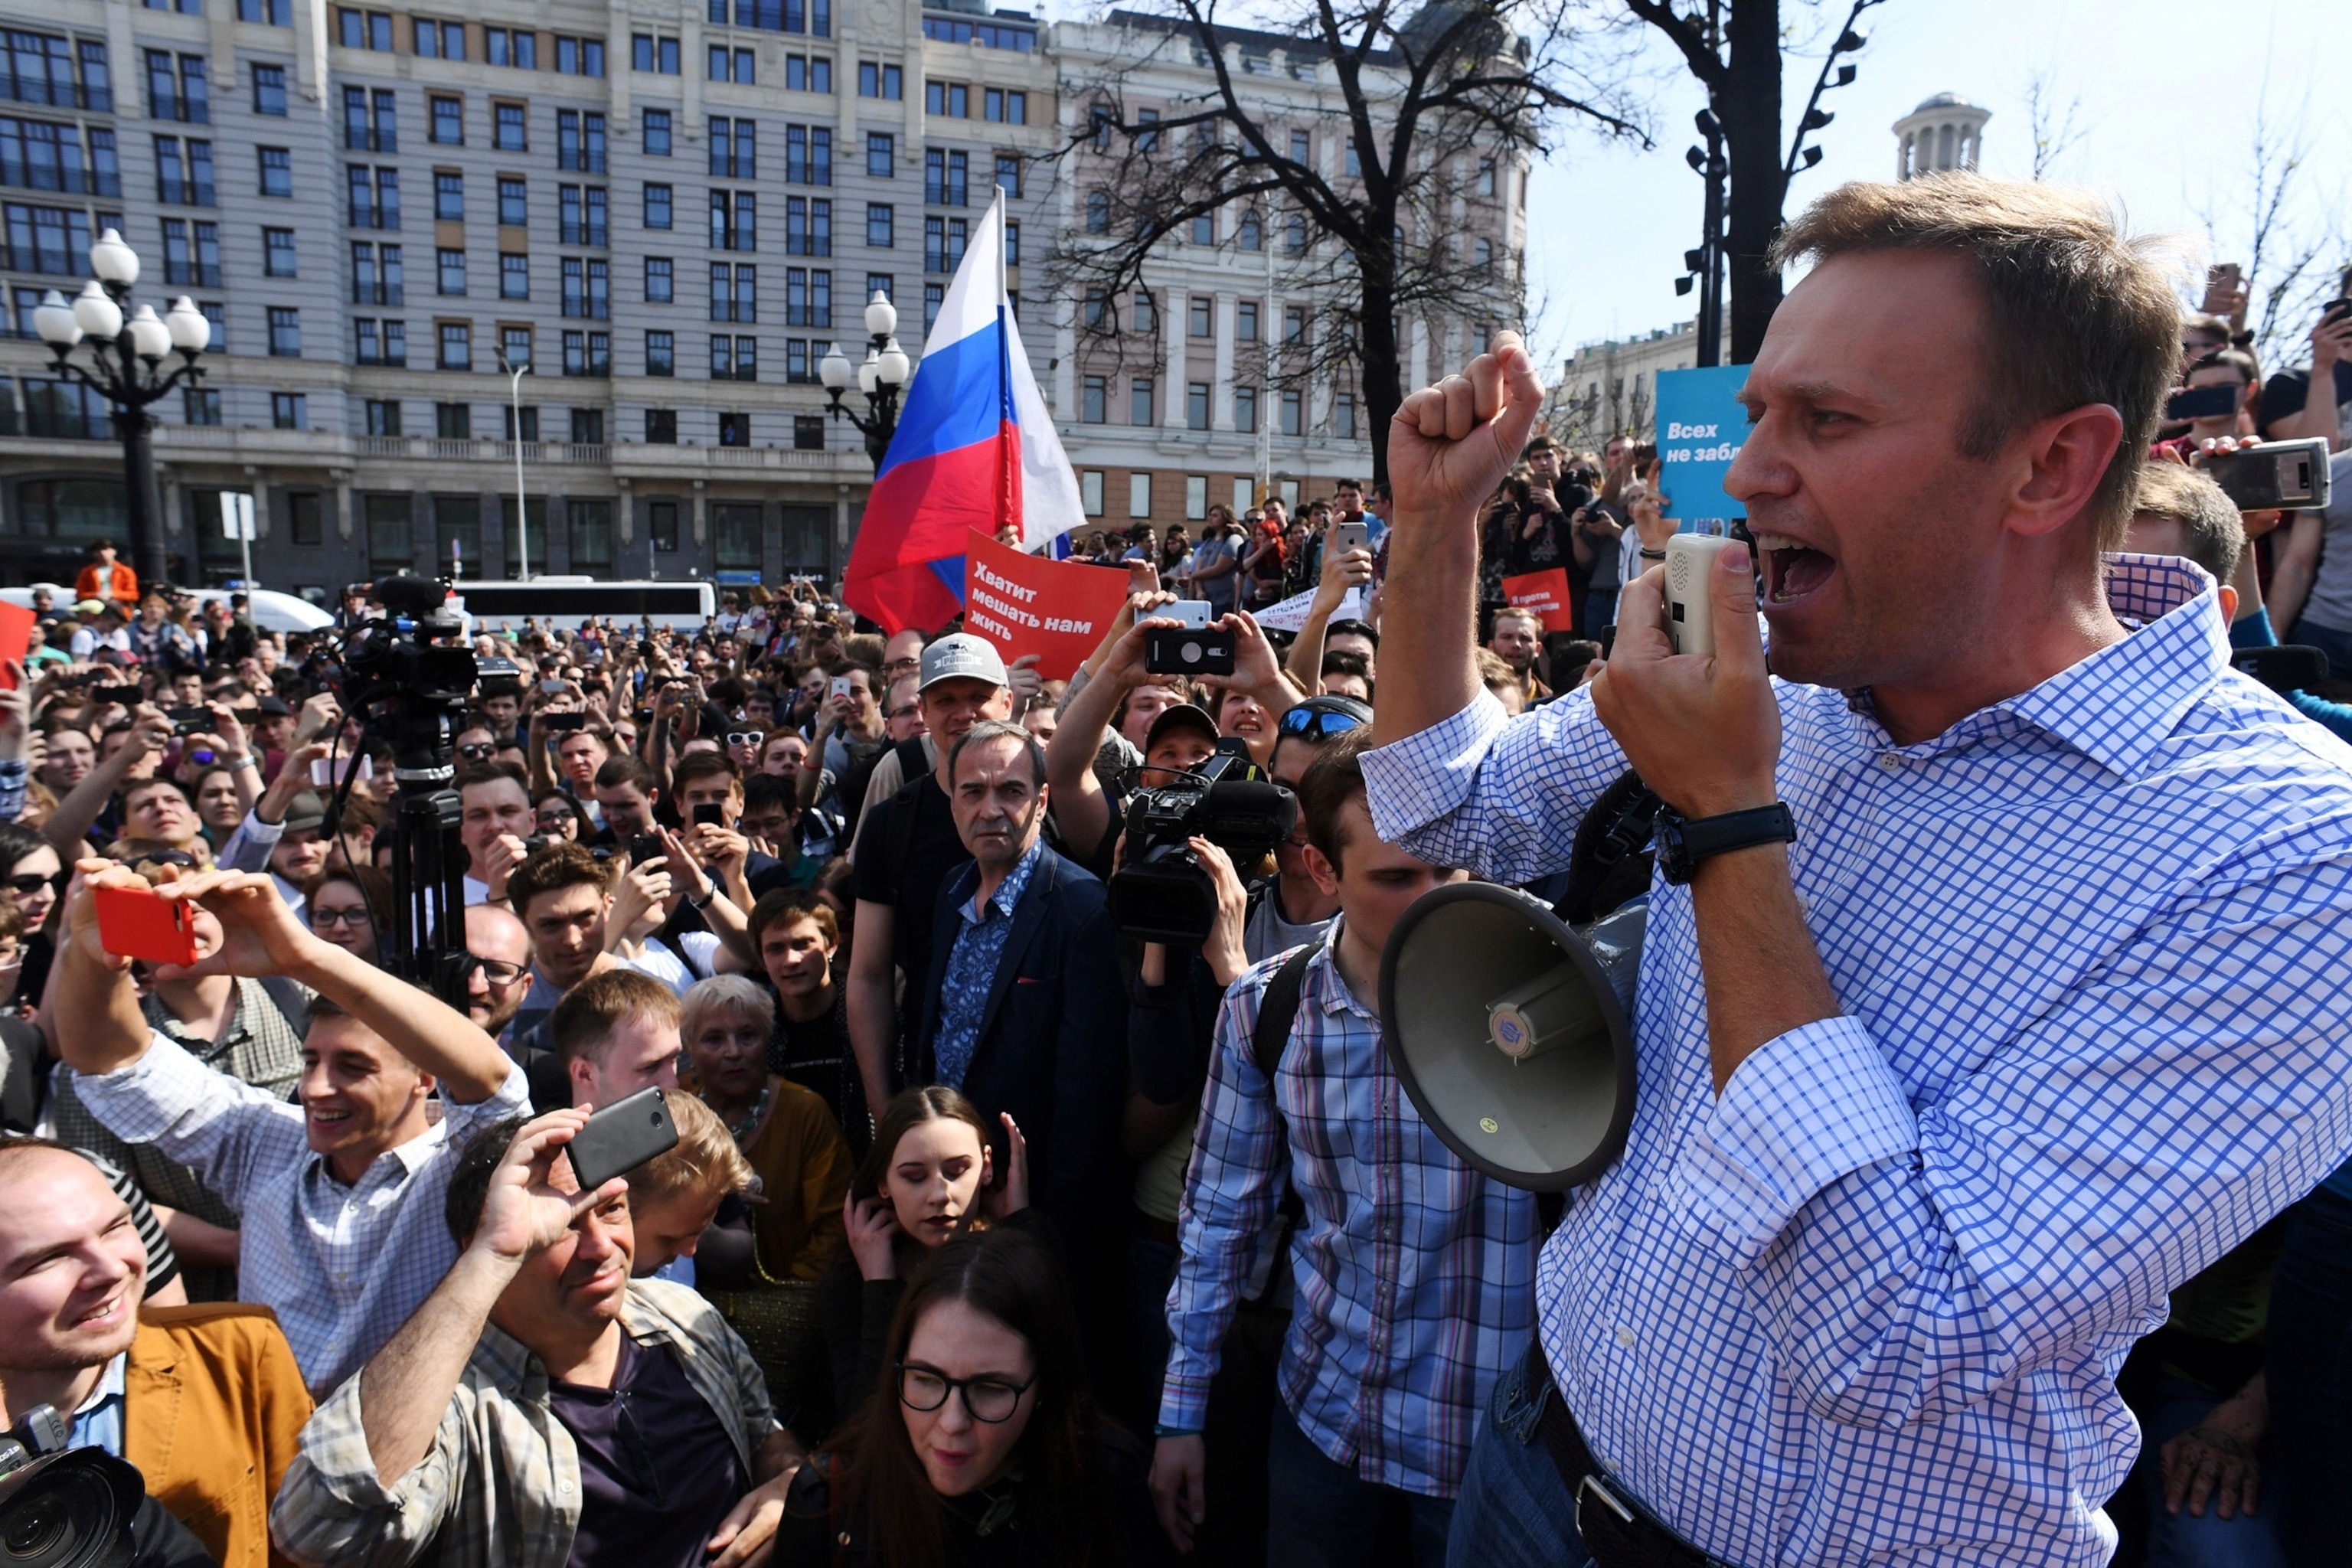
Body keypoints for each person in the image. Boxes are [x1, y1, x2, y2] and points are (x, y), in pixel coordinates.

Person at [1367, 176, 2352, 1566]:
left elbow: (1891, 1330)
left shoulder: (2289, 853)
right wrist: (1430, 530)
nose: (1749, 475)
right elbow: (1450, 811)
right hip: (1536, 1468)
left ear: (2050, 467)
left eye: (1824, 422)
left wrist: (1723, 818)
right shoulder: (1777, 669)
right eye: (1761, 412)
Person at [1150, 733, 1534, 1566]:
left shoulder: (1544, 1003)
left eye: (1448, 870)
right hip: (1325, 1430)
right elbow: (1219, 1218)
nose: (1433, 900)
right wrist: (1181, 1414)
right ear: (1322, 870)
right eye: (1397, 878)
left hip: (1491, 1459)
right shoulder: (1266, 1009)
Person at [49, 862, 532, 1395]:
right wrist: (95, 955)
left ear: (424, 1075)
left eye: (354, 1067)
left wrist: (305, 957)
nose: (315, 1088)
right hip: (266, 1458)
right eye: (309, 1062)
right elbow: (110, 1060)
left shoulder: (462, 1169)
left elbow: (495, 1089)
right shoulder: (267, 1144)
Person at [270, 1110, 806, 1568]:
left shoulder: (685, 1318)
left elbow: (763, 1432)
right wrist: (492, 1256)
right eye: (561, 1225)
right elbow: (318, 1531)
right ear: (476, 1246)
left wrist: (789, 1489)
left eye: (611, 1209)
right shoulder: (453, 1411)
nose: (601, 1247)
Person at [0, 1136, 312, 1568]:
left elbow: (303, 1545)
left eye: (115, 1228)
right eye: (49, 1259)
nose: (111, 1269)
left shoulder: (235, 1348)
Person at [770, 1226, 1164, 1566]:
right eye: (926, 1379)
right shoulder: (828, 1501)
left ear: (1045, 1385)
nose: (952, 1421)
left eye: (990, 1389)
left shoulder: (1106, 1483)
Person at [913, 721, 1124, 1271]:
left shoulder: (1080, 908)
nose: (990, 809)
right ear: (952, 800)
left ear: (1041, 799)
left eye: (1011, 790)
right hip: (947, 1197)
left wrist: (1047, 1232)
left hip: (1028, 1210)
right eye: (973, 791)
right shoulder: (950, 890)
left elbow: (1087, 1100)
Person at [844, 636, 1014, 1116]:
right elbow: (870, 975)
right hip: (931, 1087)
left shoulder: (1053, 807)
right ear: (923, 710)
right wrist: (885, 1111)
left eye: (978, 698)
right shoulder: (891, 823)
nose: (965, 713)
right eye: (946, 700)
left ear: (1008, 702)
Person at [816, 1086, 1030, 1420]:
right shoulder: (849, 1283)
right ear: (883, 1183)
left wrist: (1021, 1229)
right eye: (915, 1177)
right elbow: (857, 1424)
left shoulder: (1016, 1253)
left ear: (986, 1167)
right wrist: (879, 1288)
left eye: (958, 1171)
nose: (940, 1194)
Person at [680, 975, 851, 1285]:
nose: (733, 1052)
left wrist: (785, 1293)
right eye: (714, 1039)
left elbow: (836, 1225)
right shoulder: (678, 1118)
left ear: (767, 1039)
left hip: (789, 1303)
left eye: (747, 1035)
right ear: (689, 1048)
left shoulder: (804, 1113)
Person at [752, 890, 867, 1156]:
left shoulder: (870, 1016)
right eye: (776, 949)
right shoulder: (754, 1032)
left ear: (832, 944)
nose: (791, 960)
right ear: (761, 958)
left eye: (803, 944)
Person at [76, 538, 139, 609]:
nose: (102, 553)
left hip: (118, 608)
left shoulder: (125, 571)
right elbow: (80, 594)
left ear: (114, 551)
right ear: (94, 554)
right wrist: (95, 595)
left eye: (106, 549)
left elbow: (133, 595)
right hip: (94, 607)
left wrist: (112, 594)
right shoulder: (87, 572)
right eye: (98, 550)